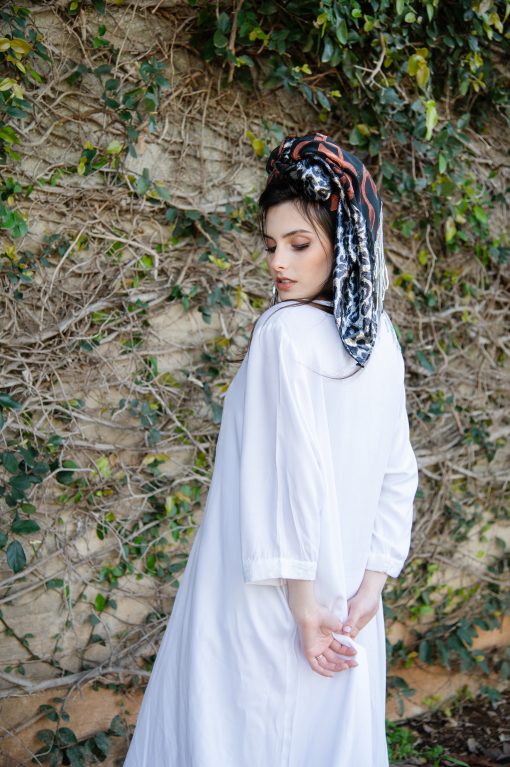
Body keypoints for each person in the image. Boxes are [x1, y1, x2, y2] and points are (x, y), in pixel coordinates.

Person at [123, 132, 419, 767]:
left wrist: (305, 612)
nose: (278, 262)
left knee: (242, 739)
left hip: (269, 602)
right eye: (270, 245)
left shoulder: (285, 334)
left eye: (299, 244)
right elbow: (399, 471)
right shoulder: (381, 337)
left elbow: (292, 477)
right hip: (346, 606)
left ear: (345, 243)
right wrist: (372, 586)